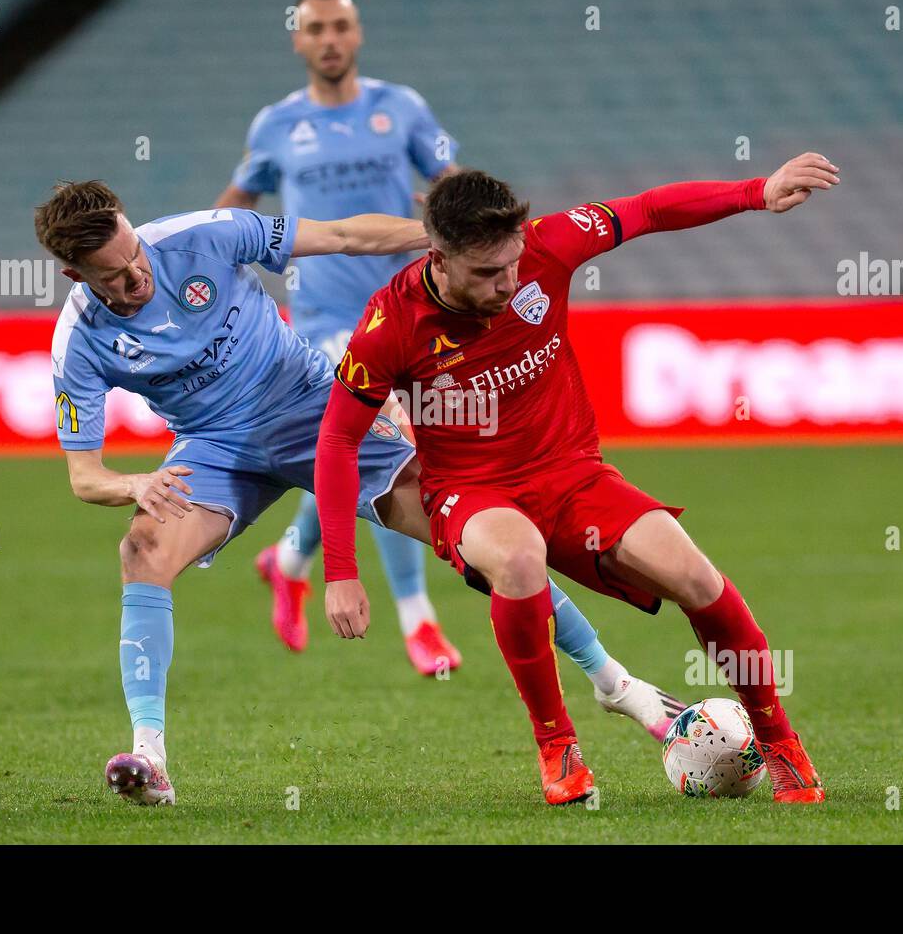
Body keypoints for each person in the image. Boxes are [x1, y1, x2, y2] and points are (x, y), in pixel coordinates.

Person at [37, 179, 683, 806]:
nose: (137, 278)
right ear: (76, 277)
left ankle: (616, 682)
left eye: (136, 257)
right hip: (216, 447)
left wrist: (444, 243)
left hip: (314, 407)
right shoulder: (79, 343)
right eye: (115, 277)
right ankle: (150, 757)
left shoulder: (206, 236)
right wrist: (135, 484)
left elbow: (345, 236)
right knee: (142, 551)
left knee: (483, 534)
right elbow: (84, 477)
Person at [316, 155, 841, 803]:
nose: (508, 282)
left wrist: (756, 191)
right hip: (470, 490)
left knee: (697, 578)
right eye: (486, 272)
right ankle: (556, 746)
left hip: (572, 475)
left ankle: (780, 741)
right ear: (438, 256)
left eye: (511, 263)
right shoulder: (388, 326)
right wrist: (340, 570)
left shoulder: (547, 247)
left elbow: (648, 209)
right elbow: (338, 438)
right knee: (519, 558)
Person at [215, 0, 464, 673]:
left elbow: (451, 173)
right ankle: (419, 622)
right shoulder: (275, 125)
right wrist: (189, 266)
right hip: (323, 315)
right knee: (390, 440)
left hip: (406, 306)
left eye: (340, 27)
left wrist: (475, 210)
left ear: (357, 36)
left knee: (352, 450)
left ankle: (289, 558)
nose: (329, 39)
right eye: (315, 28)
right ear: (298, 38)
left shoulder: (402, 107)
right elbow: (235, 205)